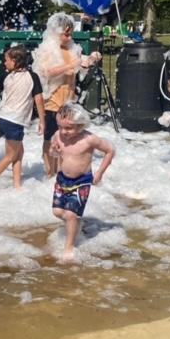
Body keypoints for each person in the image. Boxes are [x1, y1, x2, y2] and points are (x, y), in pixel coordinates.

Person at [31, 12, 102, 177]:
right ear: (55, 32)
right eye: (66, 34)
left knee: (66, 137)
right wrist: (71, 64)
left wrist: (90, 60)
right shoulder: (48, 49)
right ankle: (50, 171)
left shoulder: (72, 48)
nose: (69, 37)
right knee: (50, 137)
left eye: (71, 33)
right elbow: (46, 72)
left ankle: (62, 169)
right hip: (52, 99)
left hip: (68, 99)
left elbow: (78, 66)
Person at [0, 46, 45, 188]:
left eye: (7, 60)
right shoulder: (32, 76)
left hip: (4, 118)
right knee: (11, 155)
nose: (4, 63)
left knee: (19, 151)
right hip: (14, 120)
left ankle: (17, 184)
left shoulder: (7, 76)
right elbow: (39, 100)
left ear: (16, 61)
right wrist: (42, 121)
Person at [50, 102, 115, 261]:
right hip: (62, 180)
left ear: (81, 125)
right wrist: (55, 151)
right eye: (61, 127)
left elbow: (110, 150)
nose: (64, 132)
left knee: (71, 215)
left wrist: (99, 172)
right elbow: (53, 153)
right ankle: (77, 224)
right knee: (58, 212)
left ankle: (69, 248)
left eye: (69, 128)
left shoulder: (89, 139)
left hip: (81, 181)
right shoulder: (58, 135)